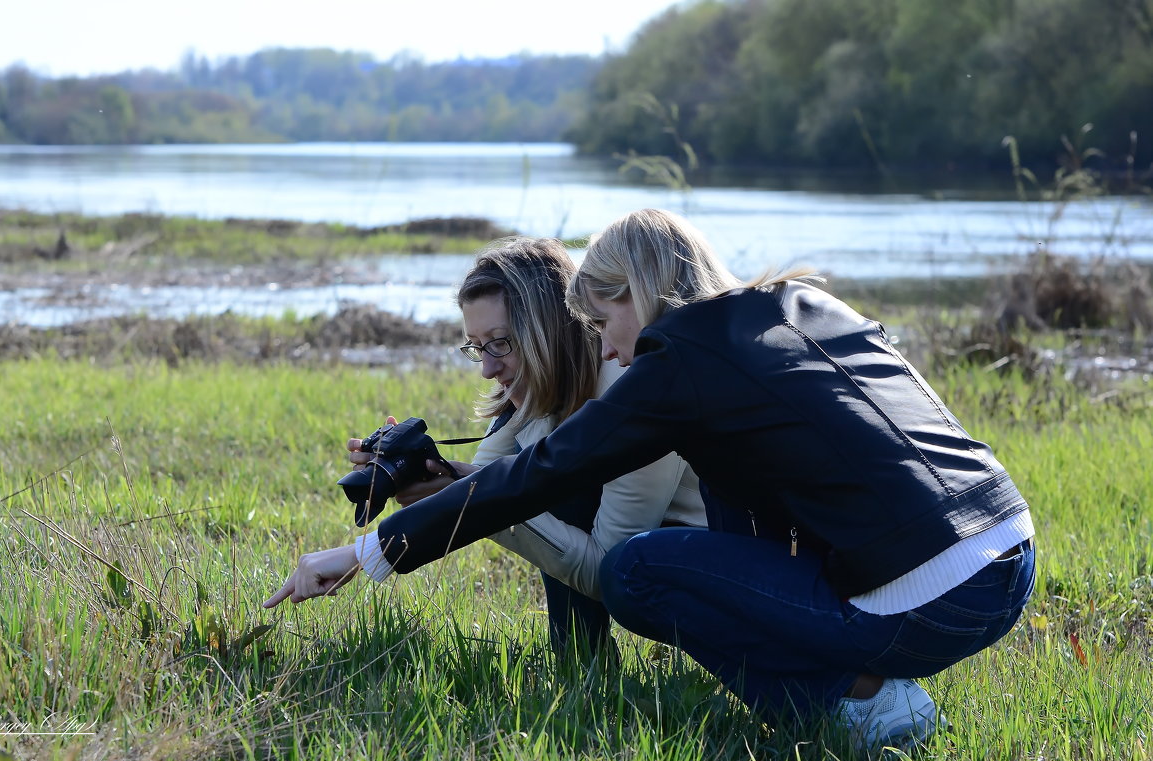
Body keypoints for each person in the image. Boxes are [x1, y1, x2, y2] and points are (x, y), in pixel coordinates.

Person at [266, 210, 1035, 751]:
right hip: (1009, 552)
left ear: (634, 292)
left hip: (927, 598)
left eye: (601, 325)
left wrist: (369, 552)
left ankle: (860, 702)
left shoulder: (678, 361)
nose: (606, 349)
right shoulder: (800, 300)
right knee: (713, 504)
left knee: (636, 572)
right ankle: (853, 685)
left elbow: (546, 473)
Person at [316, 236, 705, 657]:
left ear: (549, 330)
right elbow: (480, 488)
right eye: (477, 347)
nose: (487, 368)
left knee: (553, 491)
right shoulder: (536, 391)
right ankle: (583, 668)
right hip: (664, 564)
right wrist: (418, 470)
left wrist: (489, 504)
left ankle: (583, 666)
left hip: (712, 573)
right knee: (537, 483)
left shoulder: (629, 390)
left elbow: (606, 571)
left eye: (500, 343)